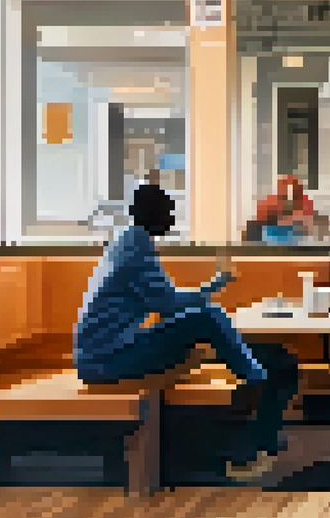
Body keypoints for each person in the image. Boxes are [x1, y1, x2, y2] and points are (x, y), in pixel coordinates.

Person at [74, 183, 299, 482]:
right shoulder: (135, 246)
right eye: (168, 211)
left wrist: (212, 290)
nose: (172, 218)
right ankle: (254, 381)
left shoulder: (130, 241)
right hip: (106, 358)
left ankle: (257, 409)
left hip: (111, 351)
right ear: (150, 213)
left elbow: (166, 301)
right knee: (208, 319)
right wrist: (215, 287)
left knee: (223, 332)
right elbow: (169, 305)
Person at [248, 175, 325, 243]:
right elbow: (260, 218)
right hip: (272, 235)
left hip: (295, 237)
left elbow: (312, 223)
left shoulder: (305, 204)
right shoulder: (271, 203)